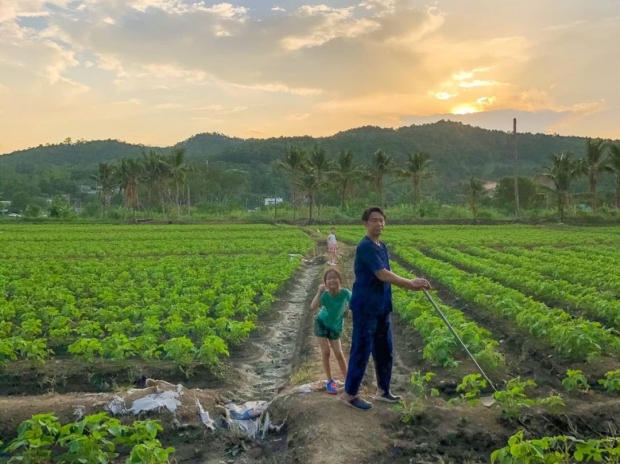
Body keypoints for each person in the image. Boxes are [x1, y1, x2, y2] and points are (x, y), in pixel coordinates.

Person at [341, 206, 431, 410]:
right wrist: (410, 283)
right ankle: (349, 394)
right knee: (361, 350)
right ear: (365, 223)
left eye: (381, 220)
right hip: (366, 306)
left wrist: (409, 283)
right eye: (374, 220)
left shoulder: (381, 246)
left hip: (382, 305)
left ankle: (383, 391)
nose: (379, 224)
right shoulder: (365, 246)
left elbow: (387, 272)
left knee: (385, 350)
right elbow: (382, 274)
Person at [310, 268, 352, 394]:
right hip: (321, 323)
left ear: (340, 280)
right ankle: (329, 380)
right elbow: (312, 307)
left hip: (336, 327)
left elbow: (355, 303)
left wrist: (349, 310)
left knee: (339, 354)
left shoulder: (346, 293)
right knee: (326, 352)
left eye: (335, 277)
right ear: (325, 283)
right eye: (329, 278)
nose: (332, 280)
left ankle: (349, 381)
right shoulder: (325, 295)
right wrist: (319, 292)